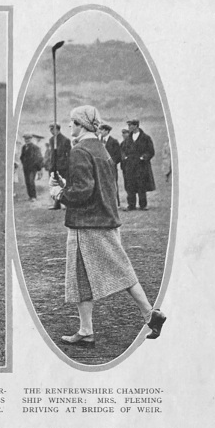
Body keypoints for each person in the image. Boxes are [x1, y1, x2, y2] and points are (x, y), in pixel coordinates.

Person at [49, 105, 166, 346]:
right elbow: (96, 185)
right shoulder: (100, 148)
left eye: (73, 122)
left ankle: (147, 313)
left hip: (86, 223)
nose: (70, 125)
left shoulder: (79, 150)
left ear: (81, 125)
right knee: (102, 272)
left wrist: (59, 193)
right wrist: (66, 183)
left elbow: (83, 191)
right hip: (105, 219)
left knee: (96, 273)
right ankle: (88, 330)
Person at [120, 118, 155, 210]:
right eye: (128, 125)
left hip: (141, 165)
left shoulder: (146, 138)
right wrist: (124, 157)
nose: (129, 127)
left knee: (141, 185)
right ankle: (131, 205)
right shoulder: (128, 139)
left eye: (130, 125)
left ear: (136, 126)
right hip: (130, 165)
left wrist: (143, 157)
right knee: (130, 185)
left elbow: (151, 151)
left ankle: (143, 205)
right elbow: (122, 150)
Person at [45, 124, 71, 209]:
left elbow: (69, 154)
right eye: (50, 130)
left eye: (53, 129)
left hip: (63, 166)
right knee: (54, 184)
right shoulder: (51, 140)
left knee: (63, 184)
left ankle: (66, 203)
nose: (51, 131)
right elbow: (51, 154)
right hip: (53, 166)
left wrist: (67, 165)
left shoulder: (65, 140)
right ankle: (57, 204)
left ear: (58, 129)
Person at [20, 133, 44, 200]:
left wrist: (38, 168)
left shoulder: (35, 147)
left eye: (28, 139)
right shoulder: (24, 147)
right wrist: (24, 163)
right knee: (27, 181)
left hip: (33, 168)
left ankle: (33, 196)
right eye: (25, 139)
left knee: (31, 181)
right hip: (26, 167)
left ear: (31, 139)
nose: (27, 140)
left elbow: (39, 158)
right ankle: (30, 196)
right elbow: (22, 157)